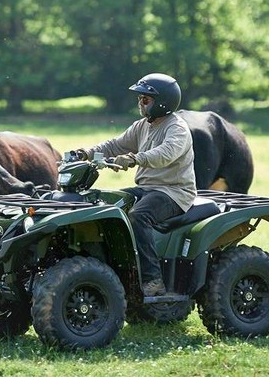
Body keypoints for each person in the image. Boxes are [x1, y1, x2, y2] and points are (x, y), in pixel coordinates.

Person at [70, 73, 196, 296]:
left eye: (145, 99)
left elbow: (166, 154)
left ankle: (152, 280)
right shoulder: (142, 126)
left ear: (162, 102)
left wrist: (135, 158)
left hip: (174, 192)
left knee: (139, 217)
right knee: (107, 207)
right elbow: (114, 145)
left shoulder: (177, 128)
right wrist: (86, 153)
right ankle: (117, 270)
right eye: (139, 99)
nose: (140, 103)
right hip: (147, 189)